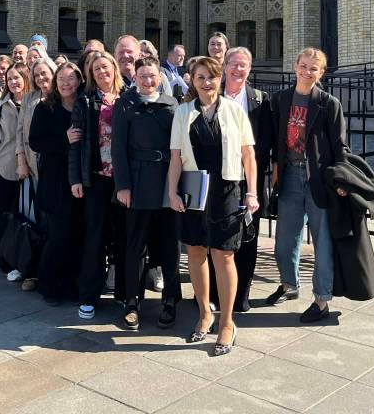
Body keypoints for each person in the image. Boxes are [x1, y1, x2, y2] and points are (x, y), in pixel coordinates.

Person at [168, 56, 257, 356]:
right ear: (192, 80)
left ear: (220, 79)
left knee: (224, 255)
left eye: (212, 77)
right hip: (194, 187)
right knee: (195, 249)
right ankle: (205, 312)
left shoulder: (234, 111)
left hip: (227, 188)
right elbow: (176, 158)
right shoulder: (182, 112)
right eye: (200, 77)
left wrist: (252, 193)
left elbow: (249, 157)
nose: (207, 82)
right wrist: (172, 192)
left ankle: (227, 323)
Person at [267, 47, 348, 323]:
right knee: (285, 239)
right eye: (303, 66)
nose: (307, 71)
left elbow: (340, 147)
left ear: (321, 72)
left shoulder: (328, 104)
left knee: (322, 241)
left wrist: (340, 180)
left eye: (314, 68)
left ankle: (322, 299)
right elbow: (274, 138)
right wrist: (275, 167)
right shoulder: (280, 100)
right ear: (295, 66)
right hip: (289, 175)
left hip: (318, 180)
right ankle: (289, 284)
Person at [112, 57, 181, 330]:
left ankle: (171, 299)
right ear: (136, 77)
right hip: (138, 182)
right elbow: (118, 148)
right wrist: (123, 186)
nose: (148, 81)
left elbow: (179, 147)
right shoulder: (125, 104)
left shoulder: (172, 104)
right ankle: (132, 301)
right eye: (143, 76)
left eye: (152, 76)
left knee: (169, 245)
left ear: (159, 76)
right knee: (135, 245)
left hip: (166, 181)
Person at [68, 51, 126, 320]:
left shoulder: (129, 97)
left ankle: (126, 294)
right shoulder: (85, 101)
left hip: (125, 179)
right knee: (95, 237)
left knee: (125, 237)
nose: (103, 73)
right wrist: (75, 178)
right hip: (96, 178)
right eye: (97, 70)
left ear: (115, 69)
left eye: (106, 68)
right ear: (91, 75)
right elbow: (75, 142)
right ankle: (89, 295)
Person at [218, 47, 274, 311]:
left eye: (243, 65)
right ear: (225, 66)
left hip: (250, 180)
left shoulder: (260, 100)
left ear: (249, 69)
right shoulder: (211, 94)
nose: (238, 70)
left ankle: (242, 295)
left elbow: (268, 142)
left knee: (249, 238)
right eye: (233, 64)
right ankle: (214, 294)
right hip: (219, 180)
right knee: (217, 237)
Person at [28, 62, 83, 305]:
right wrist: (64, 139)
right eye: (61, 79)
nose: (65, 83)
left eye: (70, 78)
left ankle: (70, 284)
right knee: (57, 236)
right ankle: (48, 284)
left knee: (75, 236)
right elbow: (35, 142)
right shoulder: (45, 108)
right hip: (55, 181)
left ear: (79, 81)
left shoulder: (84, 105)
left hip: (80, 181)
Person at [0, 62, 31, 278]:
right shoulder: (0, 105)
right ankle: (2, 257)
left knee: (26, 217)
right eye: (10, 79)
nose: (13, 82)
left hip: (32, 170)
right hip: (5, 168)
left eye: (17, 77)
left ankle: (23, 257)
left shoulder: (36, 102)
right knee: (4, 215)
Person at [14, 57, 56, 292]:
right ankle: (33, 270)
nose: (41, 78)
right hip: (32, 168)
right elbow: (20, 132)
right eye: (37, 74)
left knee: (52, 222)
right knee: (35, 220)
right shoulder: (29, 98)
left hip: (54, 171)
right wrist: (21, 161)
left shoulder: (61, 96)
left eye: (45, 73)